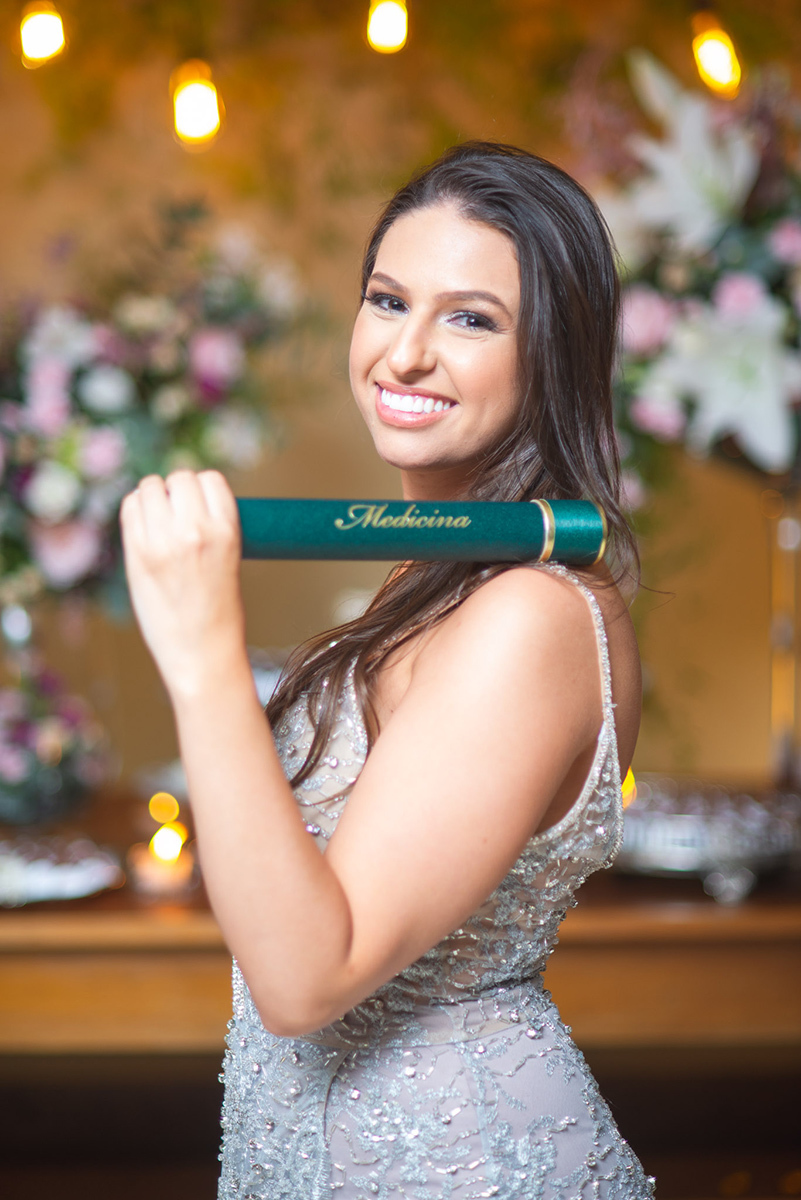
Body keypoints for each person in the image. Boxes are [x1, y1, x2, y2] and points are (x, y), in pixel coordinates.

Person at [121, 142, 654, 1199]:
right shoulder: (437, 575)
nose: (404, 353)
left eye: (471, 318)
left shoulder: (530, 614)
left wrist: (200, 653)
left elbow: (306, 976)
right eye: (387, 299)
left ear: (553, 353)